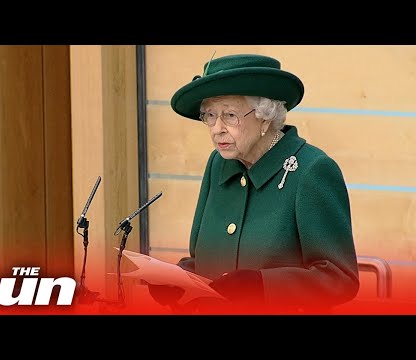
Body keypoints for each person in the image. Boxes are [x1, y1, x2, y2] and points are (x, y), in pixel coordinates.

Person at [148, 53, 360, 314]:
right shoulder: (218, 163)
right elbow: (201, 261)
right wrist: (176, 279)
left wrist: (262, 286)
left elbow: (340, 279)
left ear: (265, 115)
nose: (217, 128)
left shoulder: (311, 170)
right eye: (210, 115)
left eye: (230, 115)